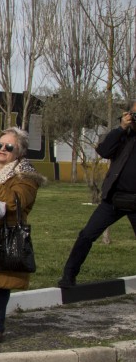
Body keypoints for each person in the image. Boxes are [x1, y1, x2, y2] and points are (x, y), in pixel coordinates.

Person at [0, 128, 44, 343]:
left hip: (3, 237)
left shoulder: (26, 176)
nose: (2, 149)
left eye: (9, 147)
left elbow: (15, 201)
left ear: (19, 151)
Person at [59, 103, 136, 288]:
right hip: (114, 198)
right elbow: (103, 150)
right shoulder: (123, 135)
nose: (134, 117)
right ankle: (68, 276)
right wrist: (121, 128)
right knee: (86, 235)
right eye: (133, 113)